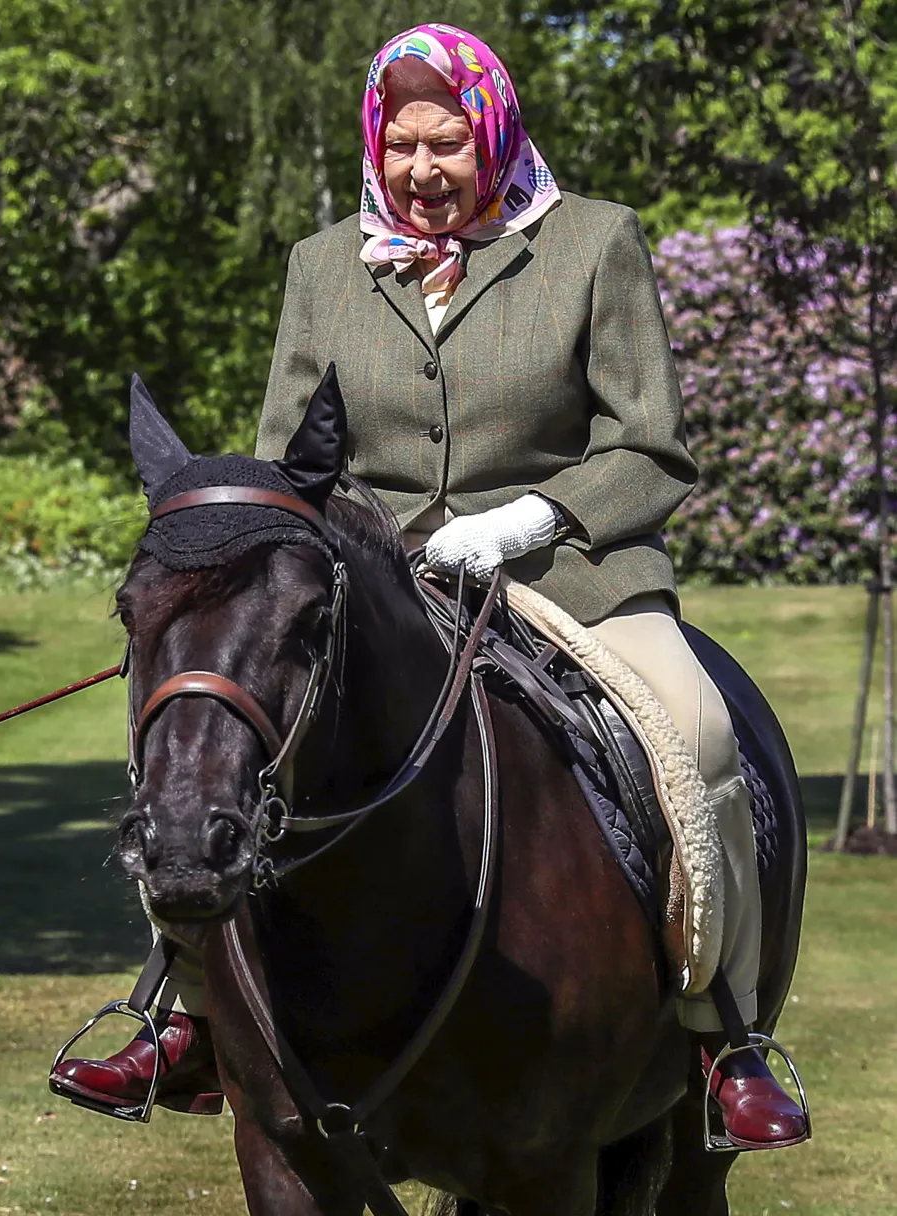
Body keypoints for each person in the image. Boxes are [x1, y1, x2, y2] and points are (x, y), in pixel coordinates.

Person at [51, 23, 807, 1151]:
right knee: (227, 741)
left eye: (446, 144)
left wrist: (531, 518)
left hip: (571, 571)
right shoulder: (323, 265)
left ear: (491, 130)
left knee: (697, 731)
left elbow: (650, 448)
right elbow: (285, 467)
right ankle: (188, 1013)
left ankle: (723, 1034)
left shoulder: (593, 244)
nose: (420, 171)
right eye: (401, 147)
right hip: (375, 583)